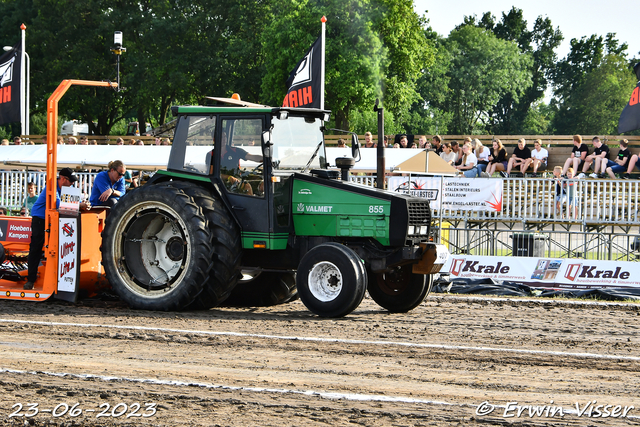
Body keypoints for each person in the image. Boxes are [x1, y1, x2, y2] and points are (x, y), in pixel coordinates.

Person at [24, 168, 90, 290]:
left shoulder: (63, 187)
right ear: (63, 179)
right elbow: (58, 203)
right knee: (36, 249)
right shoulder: (52, 186)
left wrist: (82, 203)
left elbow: (71, 199)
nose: (72, 184)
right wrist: (79, 205)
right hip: (40, 218)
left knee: (55, 248)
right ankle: (31, 280)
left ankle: (54, 280)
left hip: (53, 219)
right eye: (71, 181)